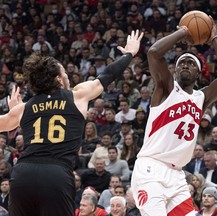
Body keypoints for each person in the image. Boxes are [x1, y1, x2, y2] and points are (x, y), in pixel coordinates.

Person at [0, 30, 143, 216]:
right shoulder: (77, 96)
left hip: (22, 175)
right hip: (55, 174)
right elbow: (108, 74)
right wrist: (129, 54)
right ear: (58, 79)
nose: (67, 75)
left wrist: (14, 111)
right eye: (64, 72)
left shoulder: (25, 108)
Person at [131, 17, 217, 215]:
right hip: (151, 169)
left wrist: (215, 39)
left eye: (191, 63)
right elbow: (153, 53)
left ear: (198, 73)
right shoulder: (166, 88)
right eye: (181, 63)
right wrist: (182, 33)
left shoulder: (201, 98)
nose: (185, 65)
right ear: (175, 70)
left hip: (177, 175)